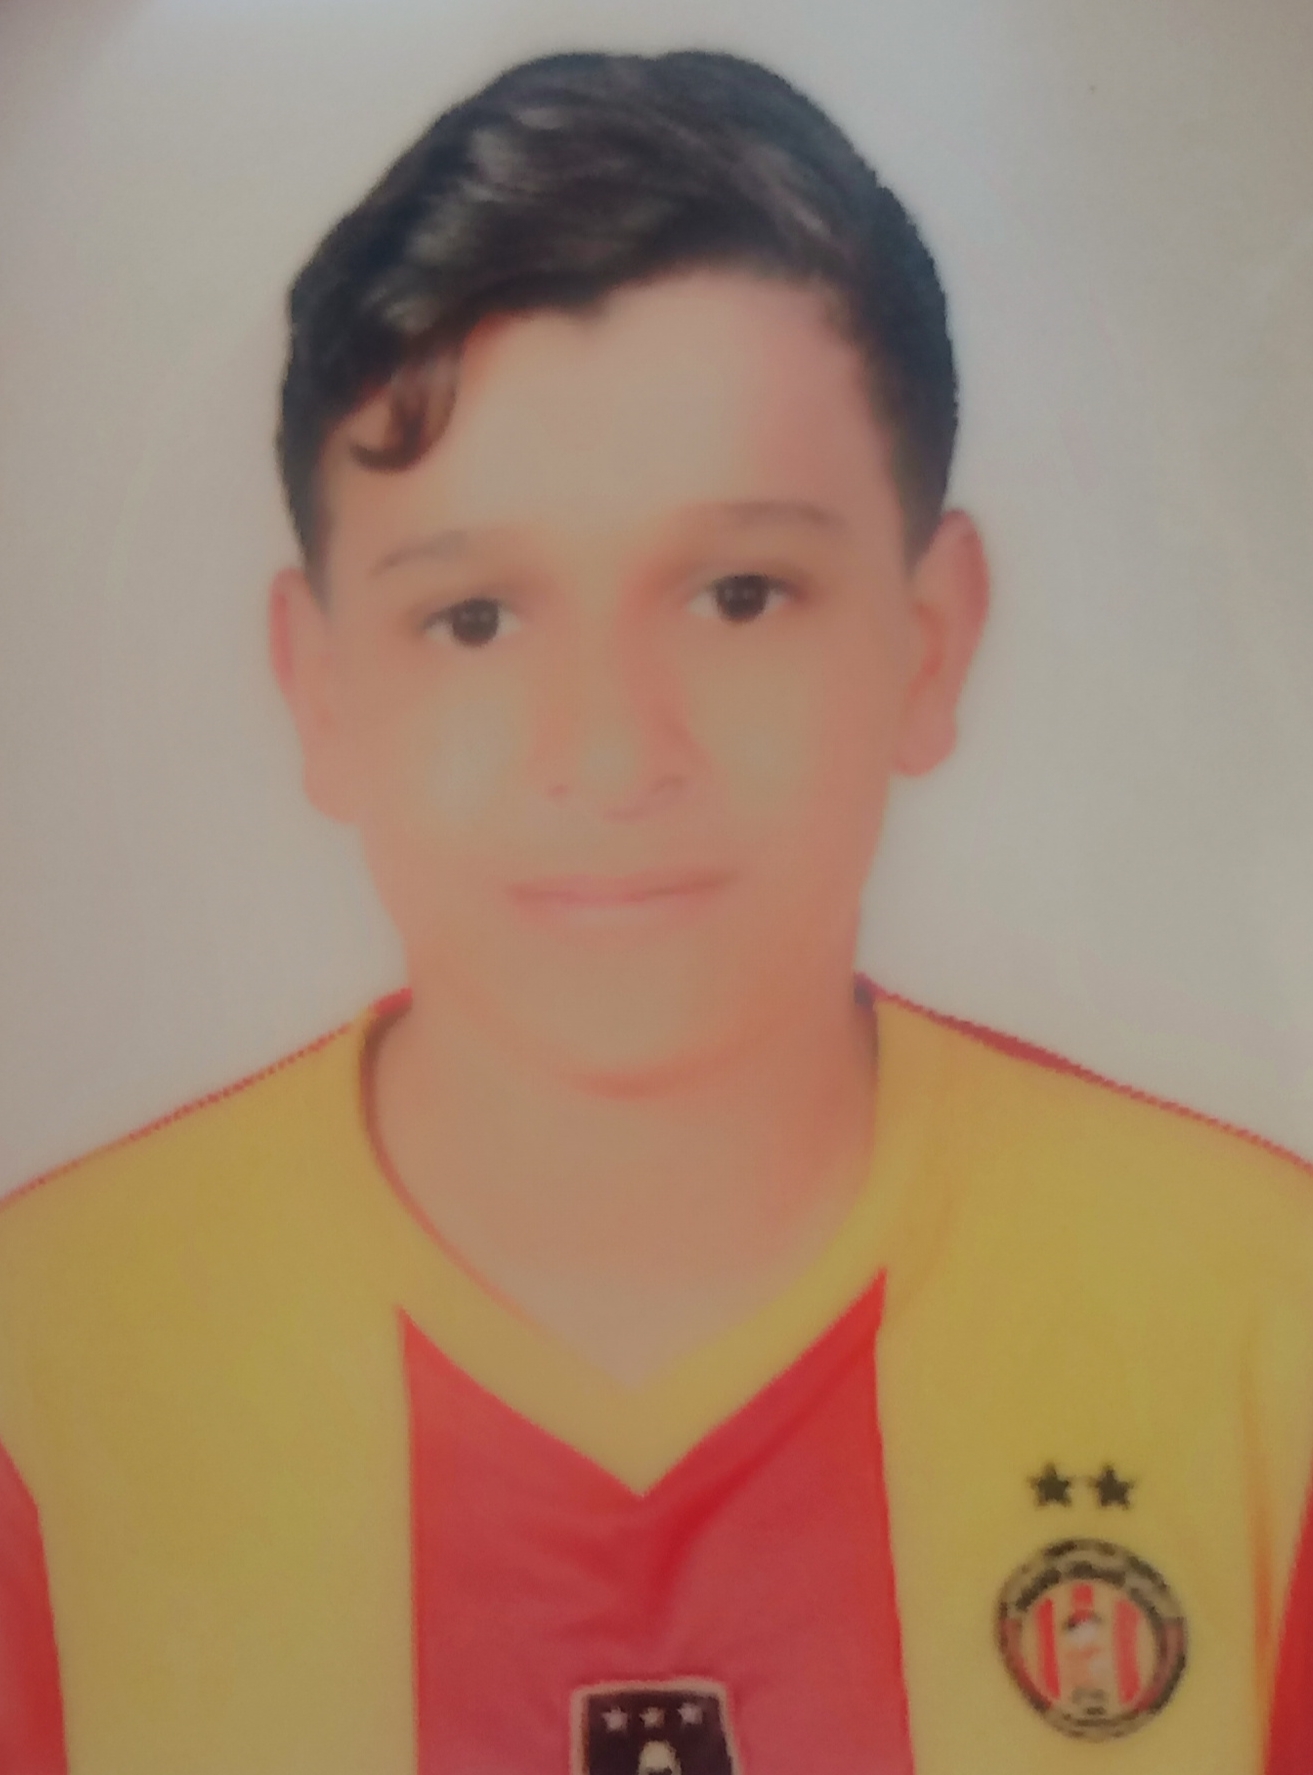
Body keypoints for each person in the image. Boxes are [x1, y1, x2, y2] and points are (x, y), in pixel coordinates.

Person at [0, 47, 1309, 1775]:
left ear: (927, 644)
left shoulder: (1263, 1334)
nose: (613, 755)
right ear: (319, 694)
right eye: (475, 619)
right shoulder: (42, 1386)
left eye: (739, 595)